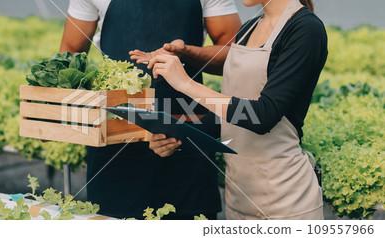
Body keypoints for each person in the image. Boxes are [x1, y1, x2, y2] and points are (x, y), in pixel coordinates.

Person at [133, 0, 328, 219]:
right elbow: (227, 118)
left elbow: (262, 115)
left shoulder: (306, 29)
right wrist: (174, 135)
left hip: (286, 202)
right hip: (238, 199)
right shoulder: (248, 29)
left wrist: (185, 83)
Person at [60, 0, 242, 219]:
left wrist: (187, 53)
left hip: (186, 136)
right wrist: (55, 114)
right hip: (116, 146)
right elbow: (70, 52)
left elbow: (234, 53)